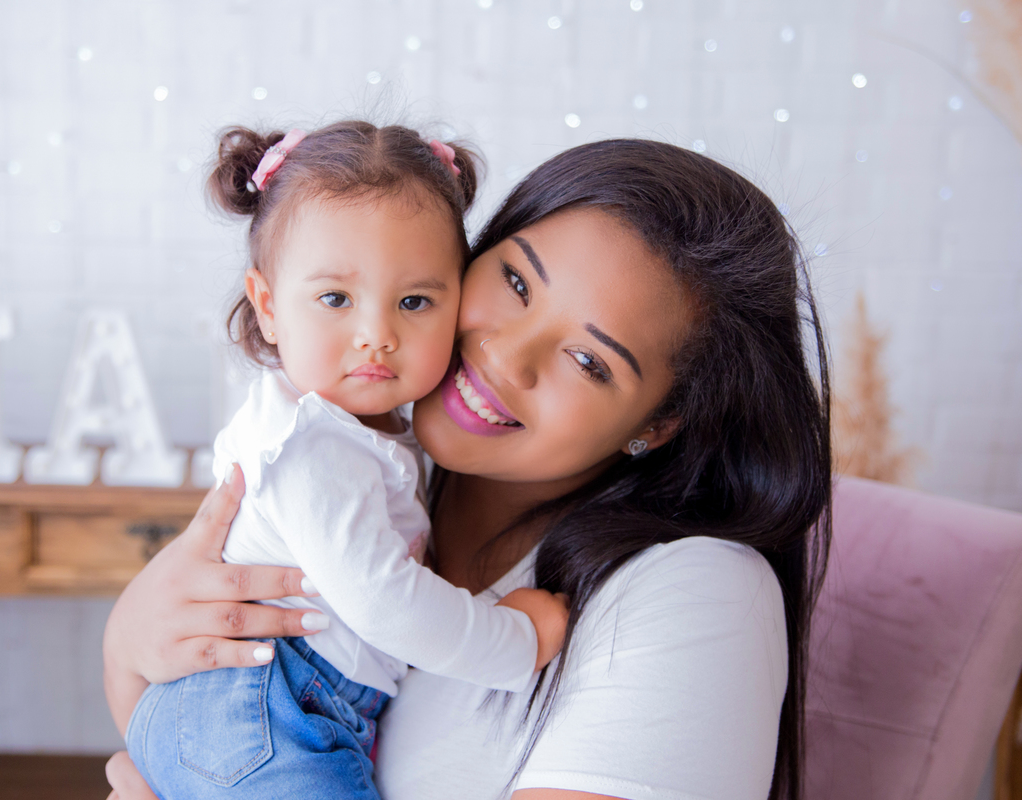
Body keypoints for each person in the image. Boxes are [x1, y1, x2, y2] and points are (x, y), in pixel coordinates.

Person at [103, 137, 832, 800]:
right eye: (516, 283)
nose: (506, 357)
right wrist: (127, 638)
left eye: (588, 361)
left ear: (657, 423)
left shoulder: (698, 594)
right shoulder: (366, 467)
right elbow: (159, 729)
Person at [120, 121, 569, 800]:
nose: (377, 336)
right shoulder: (315, 443)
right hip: (266, 707)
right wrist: (513, 641)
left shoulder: (371, 433)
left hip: (272, 708)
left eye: (414, 301)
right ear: (268, 306)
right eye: (335, 299)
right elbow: (383, 600)